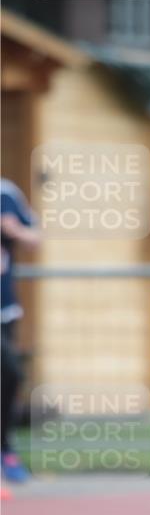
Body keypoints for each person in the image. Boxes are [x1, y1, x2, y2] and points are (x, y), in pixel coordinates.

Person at [1, 178, 40, 484]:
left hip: (4, 309)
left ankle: (5, 449)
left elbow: (35, 237)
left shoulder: (6, 193)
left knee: (10, 374)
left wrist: (13, 230)